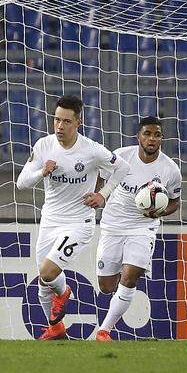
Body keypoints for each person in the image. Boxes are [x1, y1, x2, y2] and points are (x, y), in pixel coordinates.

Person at [16, 95, 130, 340]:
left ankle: (65, 291)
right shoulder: (44, 145)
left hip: (79, 222)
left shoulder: (92, 150)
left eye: (66, 121)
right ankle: (56, 328)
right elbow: (21, 182)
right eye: (56, 120)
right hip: (50, 220)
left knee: (47, 272)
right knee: (43, 286)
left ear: (78, 122)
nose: (59, 126)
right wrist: (41, 171)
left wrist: (103, 195)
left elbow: (123, 168)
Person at [95, 117, 181, 341]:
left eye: (157, 135)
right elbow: (100, 175)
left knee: (130, 276)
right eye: (147, 133)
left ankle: (104, 331)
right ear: (139, 137)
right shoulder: (121, 156)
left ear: (161, 139)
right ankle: (117, 296)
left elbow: (174, 201)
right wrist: (97, 195)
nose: (152, 138)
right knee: (105, 286)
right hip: (113, 224)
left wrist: (159, 212)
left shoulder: (170, 169)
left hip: (143, 227)